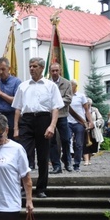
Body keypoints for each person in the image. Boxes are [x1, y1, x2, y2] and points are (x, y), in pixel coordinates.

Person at [12, 57, 64, 199]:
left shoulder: (50, 86)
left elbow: (55, 108)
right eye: (30, 66)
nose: (32, 69)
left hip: (43, 119)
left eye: (35, 66)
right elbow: (17, 109)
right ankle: (24, 187)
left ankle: (41, 188)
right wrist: (16, 128)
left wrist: (52, 126)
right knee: (24, 154)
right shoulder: (23, 86)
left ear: (41, 68)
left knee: (43, 156)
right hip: (27, 120)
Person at [0, 57, 21, 139]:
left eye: (3, 69)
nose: (0, 72)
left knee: (10, 141)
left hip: (10, 117)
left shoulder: (16, 82)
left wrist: (0, 93)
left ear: (9, 69)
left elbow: (16, 102)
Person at [48, 63, 73, 174]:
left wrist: (55, 102)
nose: (54, 73)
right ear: (50, 71)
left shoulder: (67, 83)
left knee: (66, 140)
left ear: (60, 71)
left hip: (62, 115)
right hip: (49, 116)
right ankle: (56, 166)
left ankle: (67, 162)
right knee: (51, 141)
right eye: (52, 71)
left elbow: (68, 99)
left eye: (56, 70)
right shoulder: (46, 83)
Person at [66, 79, 92, 173]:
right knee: (66, 141)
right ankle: (68, 162)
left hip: (79, 123)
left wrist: (90, 121)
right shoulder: (67, 96)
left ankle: (76, 164)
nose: (69, 88)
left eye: (70, 86)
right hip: (68, 122)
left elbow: (87, 110)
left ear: (75, 86)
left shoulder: (81, 96)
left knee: (79, 144)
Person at [84, 98, 104, 166]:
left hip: (93, 131)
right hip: (84, 129)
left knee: (92, 145)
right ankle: (86, 160)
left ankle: (88, 159)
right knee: (85, 144)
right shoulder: (81, 110)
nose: (88, 105)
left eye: (89, 104)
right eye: (87, 104)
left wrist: (94, 123)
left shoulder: (95, 110)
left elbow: (100, 119)